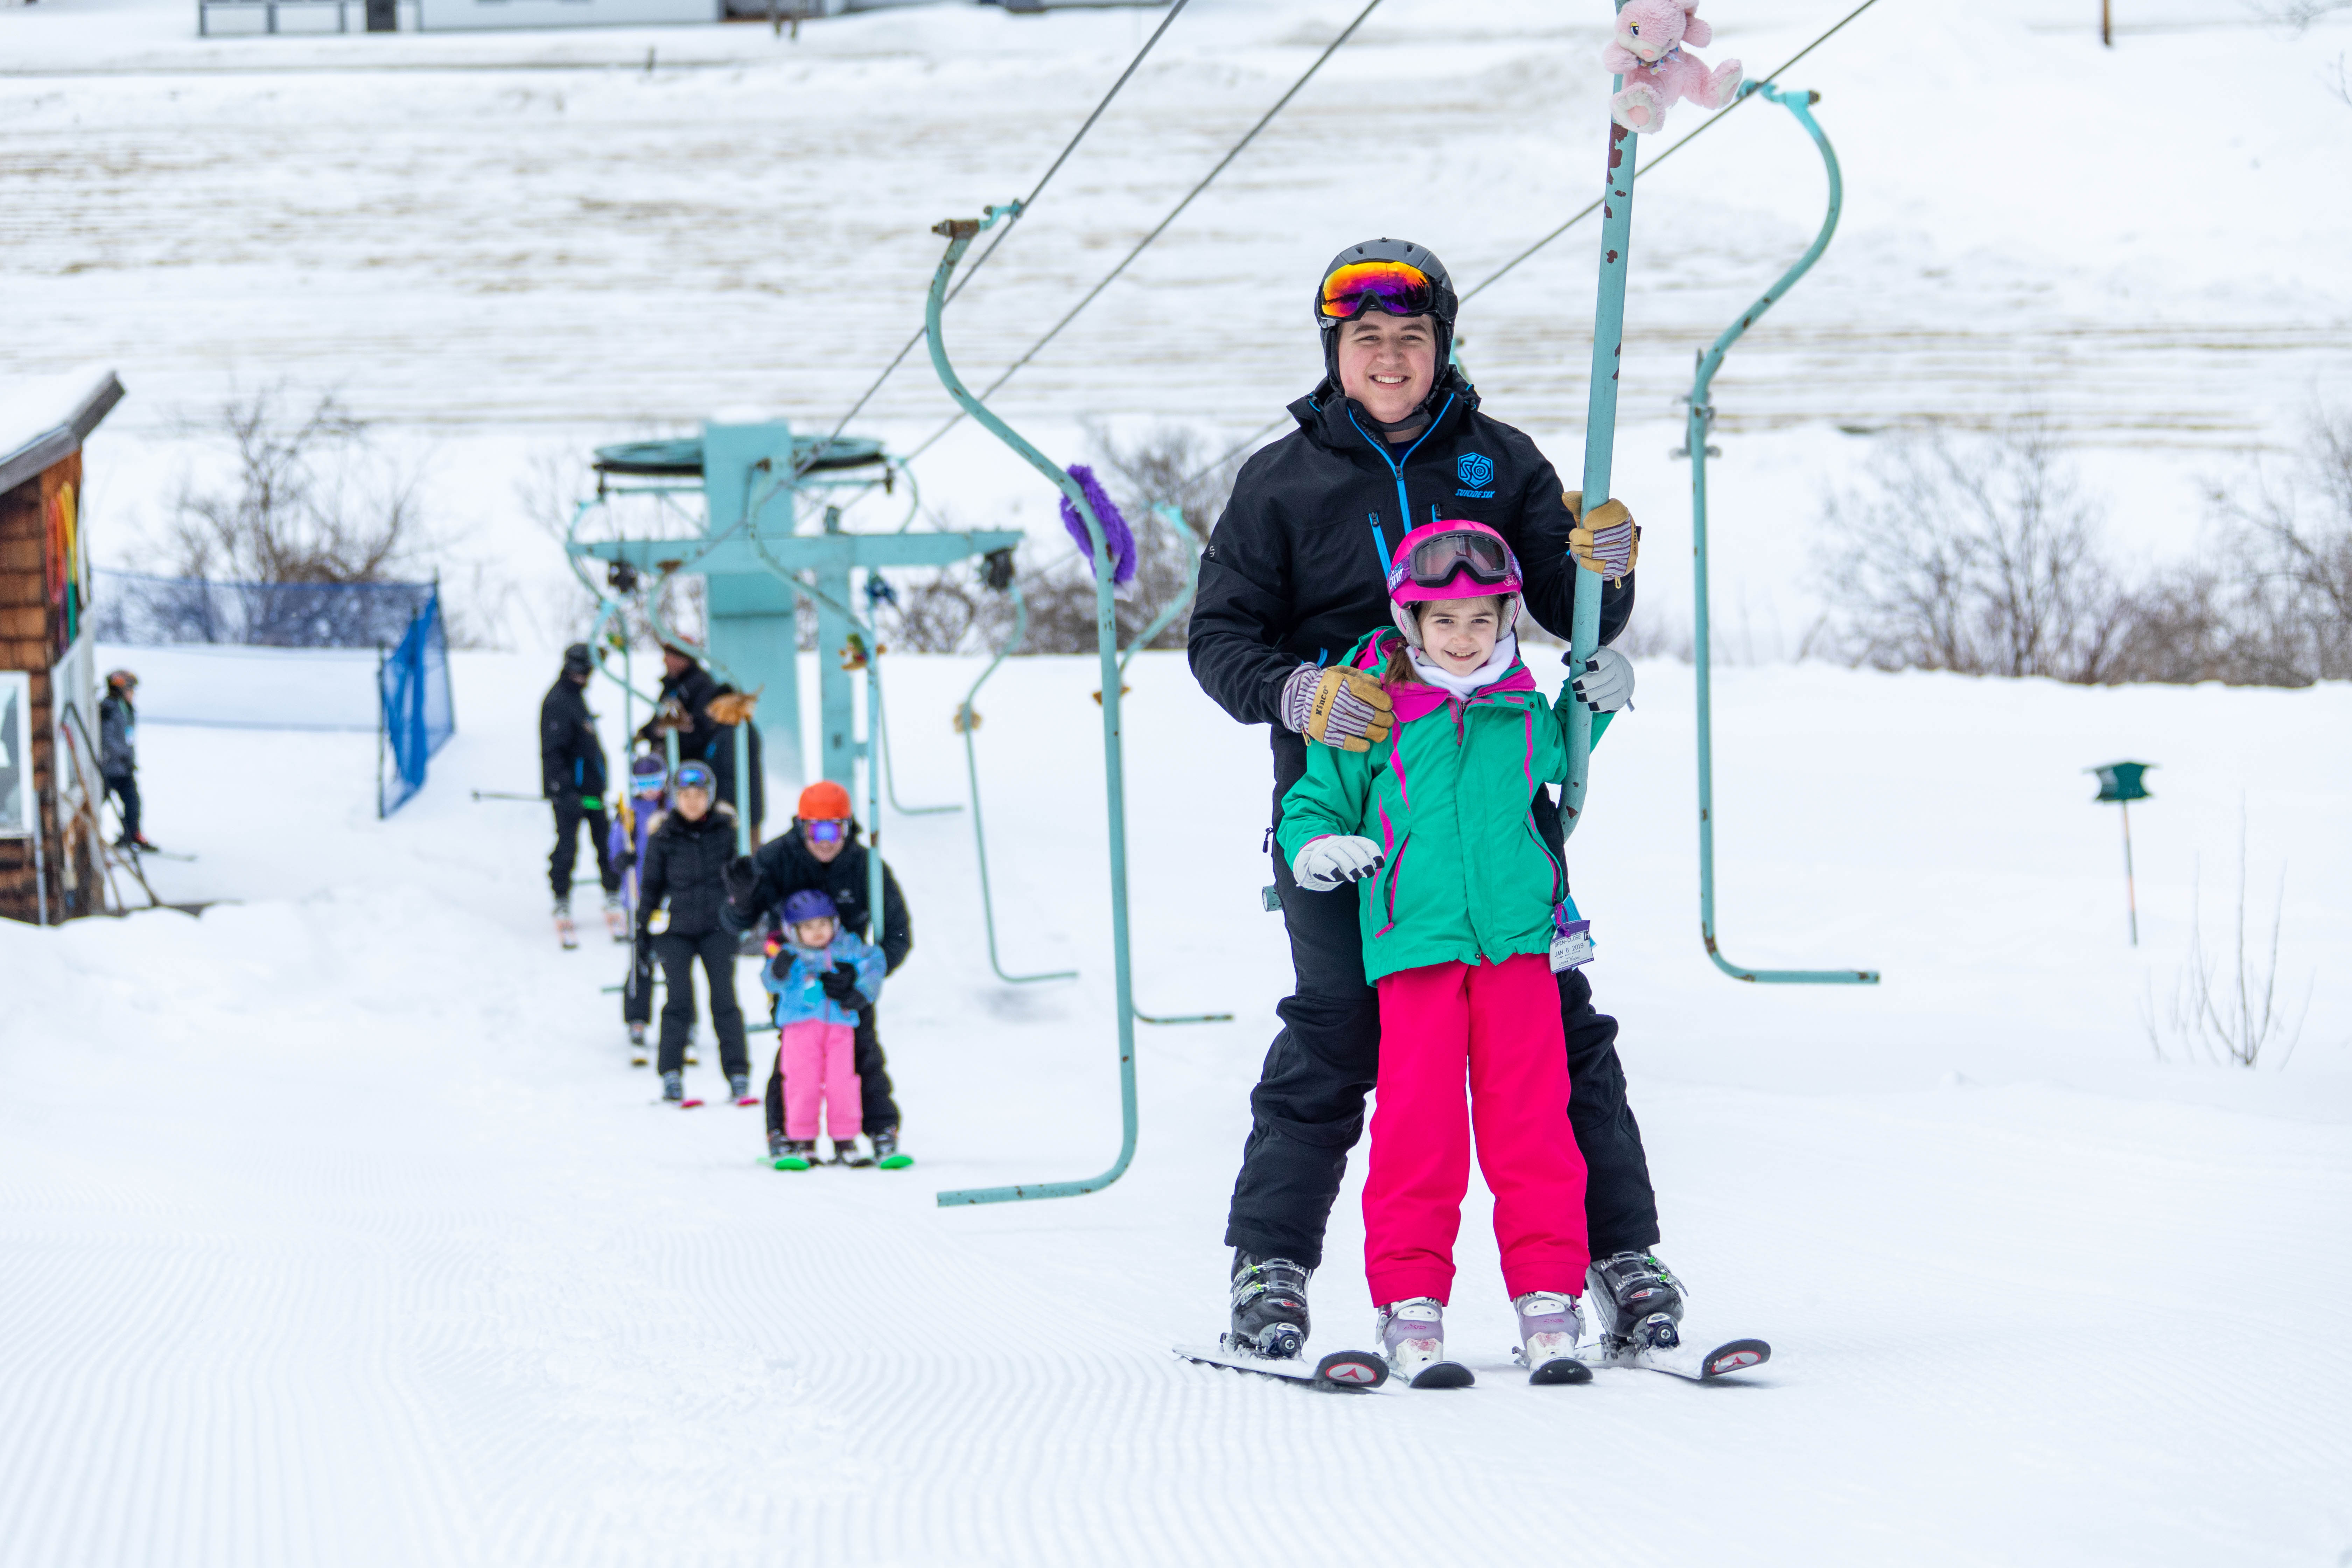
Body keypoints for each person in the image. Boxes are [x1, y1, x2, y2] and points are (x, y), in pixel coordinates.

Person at [1187, 237, 1681, 1363]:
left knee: (1557, 1032)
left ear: (1441, 346)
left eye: (1410, 338)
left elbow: (1563, 604)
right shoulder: (1281, 481)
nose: (1389, 357)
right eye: (1365, 340)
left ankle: (1618, 1255)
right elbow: (1217, 642)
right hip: (1352, 808)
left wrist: (1606, 563)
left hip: (1493, 804)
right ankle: (1270, 1263)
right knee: (1335, 1027)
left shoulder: (1496, 460)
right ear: (1334, 353)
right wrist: (1298, 692)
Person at [1278, 524, 1605, 1383]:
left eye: (1481, 622)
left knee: (1533, 1125)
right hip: (1415, 947)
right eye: (1443, 623)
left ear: (1505, 624)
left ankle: (1548, 1299)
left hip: (1519, 947)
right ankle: (1410, 1302)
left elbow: (1565, 758)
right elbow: (1317, 800)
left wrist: (1596, 702)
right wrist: (1313, 850)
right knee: (1418, 1129)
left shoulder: (1522, 709)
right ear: (1409, 623)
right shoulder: (1375, 709)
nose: (1463, 641)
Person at [723, 780, 914, 1168]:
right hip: (794, 975)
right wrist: (740, 903)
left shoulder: (866, 865)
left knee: (864, 1050)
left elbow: (898, 933)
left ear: (847, 828)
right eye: (817, 831)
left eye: (835, 831)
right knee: (794, 1056)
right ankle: (784, 1132)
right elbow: (736, 924)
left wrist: (862, 984)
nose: (826, 841)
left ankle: (881, 1128)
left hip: (848, 971)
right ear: (802, 827)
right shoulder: (777, 857)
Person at [635, 761, 751, 1105]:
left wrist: (745, 906)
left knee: (724, 999)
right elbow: (652, 888)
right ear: (675, 798)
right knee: (679, 1000)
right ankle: (671, 1074)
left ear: (710, 797)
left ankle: (738, 1074)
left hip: (717, 928)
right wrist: (643, 934)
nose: (692, 802)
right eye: (685, 796)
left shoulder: (725, 830)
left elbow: (741, 879)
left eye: (699, 795)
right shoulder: (664, 835)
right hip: (676, 931)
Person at [760, 889, 887, 1169]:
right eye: (808, 927)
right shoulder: (790, 954)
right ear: (794, 930)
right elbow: (770, 982)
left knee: (843, 1083)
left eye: (823, 924)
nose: (818, 932)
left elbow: (876, 961)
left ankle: (846, 1141)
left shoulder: (848, 948)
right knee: (802, 1084)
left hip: (840, 1029)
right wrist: (777, 971)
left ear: (835, 923)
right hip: (801, 1031)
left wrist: (863, 991)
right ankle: (803, 1141)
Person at [541, 643, 624, 948]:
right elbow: (552, 753)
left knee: (606, 842)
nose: (584, 676)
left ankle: (613, 893)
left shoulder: (576, 697)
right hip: (570, 795)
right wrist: (563, 790)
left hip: (592, 791)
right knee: (567, 846)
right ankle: (561, 897)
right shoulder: (558, 701)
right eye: (581, 670)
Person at [639, 643, 765, 838]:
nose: (710, 715)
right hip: (731, 814)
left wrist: (722, 806)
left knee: (743, 860)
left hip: (738, 815)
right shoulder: (723, 733)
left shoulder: (736, 733)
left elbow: (731, 776)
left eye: (714, 709)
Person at [609, 752, 670, 1064]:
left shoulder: (673, 808)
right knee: (640, 958)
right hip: (639, 896)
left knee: (676, 960)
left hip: (670, 897)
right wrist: (622, 860)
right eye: (644, 784)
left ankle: (683, 1019)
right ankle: (637, 1019)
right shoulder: (629, 813)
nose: (650, 790)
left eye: (656, 783)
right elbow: (615, 848)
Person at [97, 669, 154, 851]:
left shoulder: (125, 709)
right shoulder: (109, 710)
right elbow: (107, 739)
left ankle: (132, 833)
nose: (133, 694)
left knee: (133, 802)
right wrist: (123, 755)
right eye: (130, 690)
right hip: (110, 768)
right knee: (99, 799)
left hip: (123, 768)